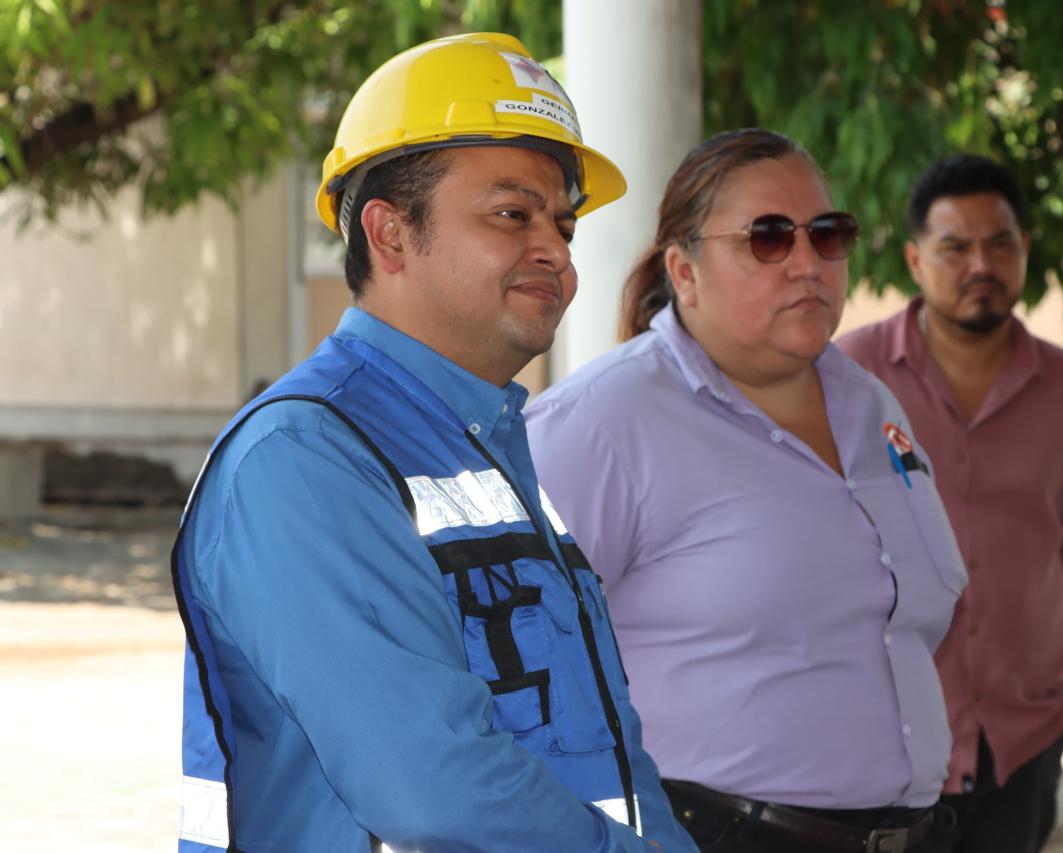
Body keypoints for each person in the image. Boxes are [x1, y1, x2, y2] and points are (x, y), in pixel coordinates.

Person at [171, 32, 695, 853]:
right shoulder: (304, 455)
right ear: (389, 234)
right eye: (512, 214)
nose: (555, 251)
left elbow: (606, 752)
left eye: (563, 224)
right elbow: (432, 782)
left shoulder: (483, 439)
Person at [525, 128, 965, 852]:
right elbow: (510, 666)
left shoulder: (871, 405)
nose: (807, 264)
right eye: (768, 238)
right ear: (684, 271)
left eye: (827, 234)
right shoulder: (602, 422)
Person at [835, 154, 1063, 853]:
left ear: (1024, 249)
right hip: (881, 735)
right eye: (955, 247)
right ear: (915, 259)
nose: (981, 264)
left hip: (1022, 733)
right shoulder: (848, 376)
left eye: (1000, 244)